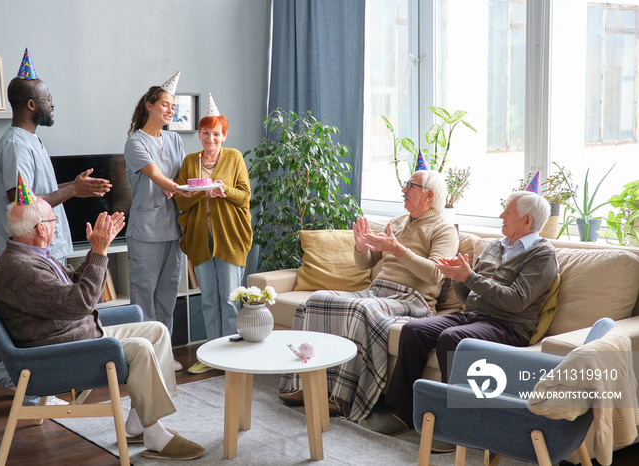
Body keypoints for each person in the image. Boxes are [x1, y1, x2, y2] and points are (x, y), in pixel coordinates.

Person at [0, 194, 205, 460]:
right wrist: (102, 251)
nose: (56, 224)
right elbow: (82, 301)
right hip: (58, 353)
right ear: (41, 228)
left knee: (157, 331)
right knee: (140, 348)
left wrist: (96, 249)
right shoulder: (20, 267)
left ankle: (140, 420)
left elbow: (74, 285)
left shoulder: (31, 254)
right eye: (53, 219)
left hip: (78, 334)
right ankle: (154, 435)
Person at [279, 170, 459, 422]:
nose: (403, 190)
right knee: (317, 299)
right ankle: (306, 382)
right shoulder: (396, 222)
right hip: (376, 293)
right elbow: (365, 264)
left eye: (410, 186)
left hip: (411, 300)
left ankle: (340, 397)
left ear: (429, 195)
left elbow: (435, 275)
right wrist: (361, 247)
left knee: (361, 310)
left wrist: (398, 249)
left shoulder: (444, 229)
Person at [0, 48, 111, 397]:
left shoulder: (33, 141)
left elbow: (36, 192)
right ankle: (22, 389)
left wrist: (74, 186)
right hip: (31, 251)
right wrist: (73, 189)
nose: (52, 104)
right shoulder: (15, 144)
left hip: (46, 248)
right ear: (31, 105)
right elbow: (21, 203)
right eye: (48, 99)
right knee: (36, 324)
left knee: (47, 321)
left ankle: (25, 385)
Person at [385, 190, 558, 431]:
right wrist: (457, 277)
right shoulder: (495, 246)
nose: (501, 215)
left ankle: (455, 425)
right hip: (472, 316)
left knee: (452, 338)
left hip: (507, 326)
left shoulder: (542, 255)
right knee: (413, 330)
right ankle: (404, 410)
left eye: (507, 212)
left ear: (527, 220)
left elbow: (516, 301)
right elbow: (468, 298)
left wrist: (470, 277)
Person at [174, 93, 252, 374]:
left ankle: (230, 357)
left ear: (224, 135)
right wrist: (200, 191)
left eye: (216, 133)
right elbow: (181, 200)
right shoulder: (189, 162)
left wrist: (223, 191)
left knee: (230, 299)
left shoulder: (234, 158)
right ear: (199, 134)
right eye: (206, 133)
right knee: (208, 300)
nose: (211, 138)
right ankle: (210, 356)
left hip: (229, 237)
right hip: (199, 239)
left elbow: (244, 197)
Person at [123, 72, 194, 371]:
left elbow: (182, 175)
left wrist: (189, 187)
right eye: (165, 105)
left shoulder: (175, 139)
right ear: (150, 105)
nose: (170, 110)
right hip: (146, 231)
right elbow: (156, 175)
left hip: (172, 229)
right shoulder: (134, 143)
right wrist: (174, 186)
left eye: (173, 107)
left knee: (167, 296)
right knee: (143, 297)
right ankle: (145, 358)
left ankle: (163, 355)